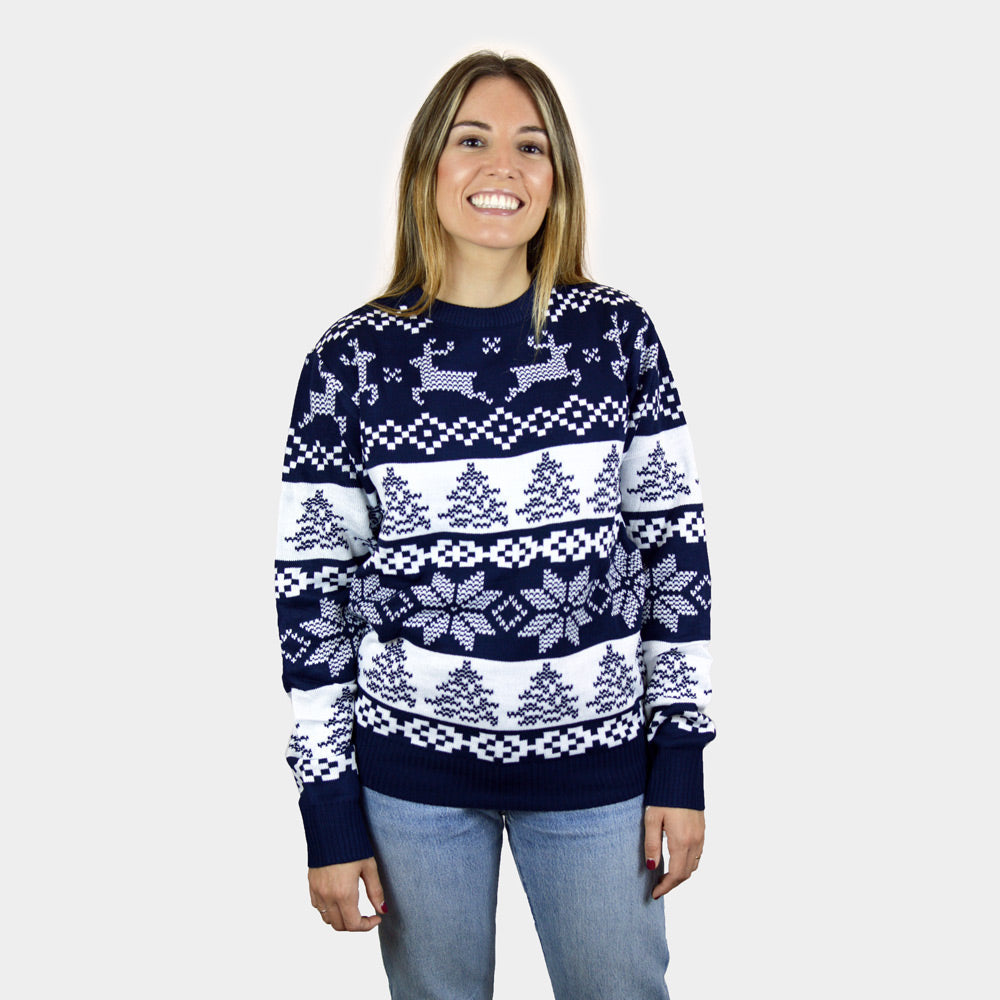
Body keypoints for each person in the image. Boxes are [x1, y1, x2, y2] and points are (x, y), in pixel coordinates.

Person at [275, 50, 715, 1000]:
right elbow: (312, 593)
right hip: (410, 778)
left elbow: (673, 554)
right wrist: (328, 808)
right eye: (472, 140)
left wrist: (679, 760)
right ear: (429, 166)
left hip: (598, 768)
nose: (502, 167)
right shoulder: (350, 361)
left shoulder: (617, 338)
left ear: (558, 179)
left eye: (532, 146)